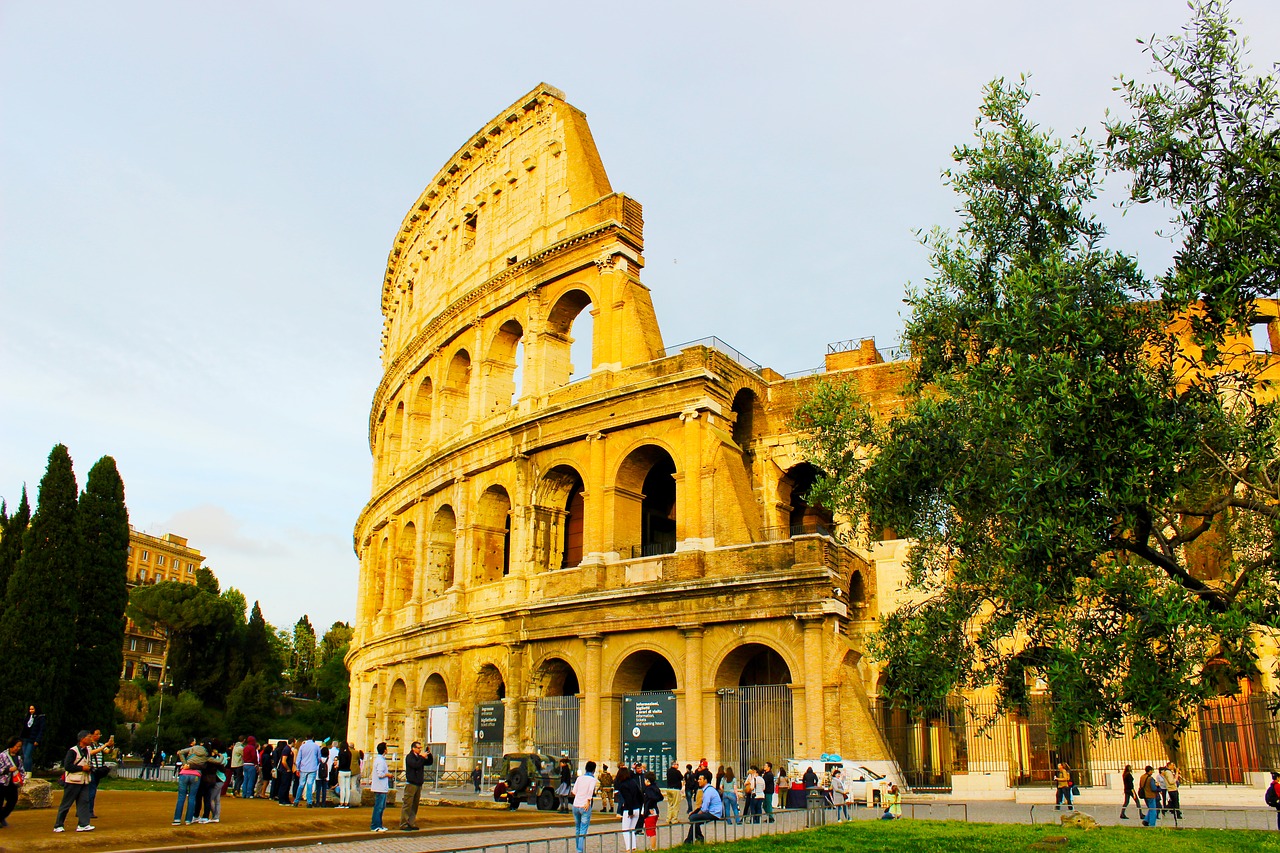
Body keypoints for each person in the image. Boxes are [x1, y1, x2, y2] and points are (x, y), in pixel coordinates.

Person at [54, 731, 94, 833]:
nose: (91, 739)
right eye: (89, 737)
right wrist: (82, 768)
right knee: (66, 804)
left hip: (84, 781)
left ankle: (83, 824)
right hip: (72, 781)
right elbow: (68, 766)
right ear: (82, 739)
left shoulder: (88, 750)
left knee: (84, 802)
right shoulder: (72, 751)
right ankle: (58, 825)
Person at [173, 739, 208, 825]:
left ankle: (177, 819)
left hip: (184, 774)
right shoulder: (206, 754)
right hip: (196, 775)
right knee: (192, 797)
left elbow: (180, 752)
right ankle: (188, 819)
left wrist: (185, 764)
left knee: (181, 797)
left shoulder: (193, 748)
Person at [683, 774, 723, 844]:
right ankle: (696, 838)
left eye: (700, 779)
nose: (698, 781)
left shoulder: (708, 791)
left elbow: (704, 808)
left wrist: (696, 814)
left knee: (693, 818)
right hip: (711, 811)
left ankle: (691, 839)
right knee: (695, 820)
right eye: (698, 779)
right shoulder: (708, 789)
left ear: (705, 780)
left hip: (714, 813)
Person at [571, 760, 598, 853]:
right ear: (594, 770)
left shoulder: (579, 778)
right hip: (585, 805)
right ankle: (580, 850)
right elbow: (590, 791)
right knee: (583, 829)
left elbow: (574, 791)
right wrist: (588, 801)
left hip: (576, 804)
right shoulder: (593, 779)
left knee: (577, 828)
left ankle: (577, 848)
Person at [400, 741, 427, 831]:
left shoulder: (419, 757)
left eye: (420, 748)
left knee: (415, 805)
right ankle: (404, 823)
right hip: (411, 783)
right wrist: (422, 758)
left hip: (418, 783)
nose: (420, 750)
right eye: (418, 748)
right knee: (408, 804)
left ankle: (411, 822)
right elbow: (416, 765)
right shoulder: (410, 757)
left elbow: (428, 762)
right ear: (413, 748)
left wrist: (428, 754)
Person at [614, 766, 642, 851]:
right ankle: (633, 847)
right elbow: (640, 795)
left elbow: (628, 798)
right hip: (637, 808)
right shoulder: (633, 782)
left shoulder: (623, 785)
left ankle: (628, 848)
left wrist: (630, 811)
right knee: (632, 830)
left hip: (629, 809)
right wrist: (640, 807)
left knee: (625, 830)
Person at [0, 736, 25, 828]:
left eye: (19, 747)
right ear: (11, 745)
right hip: (2, 783)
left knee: (12, 801)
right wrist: (8, 769)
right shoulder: (2, 756)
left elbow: (22, 770)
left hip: (13, 783)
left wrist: (22, 779)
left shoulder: (18, 758)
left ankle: (1, 817)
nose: (18, 748)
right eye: (17, 746)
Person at [370, 742, 392, 832]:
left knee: (380, 807)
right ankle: (376, 825)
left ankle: (378, 825)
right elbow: (380, 774)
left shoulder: (380, 760)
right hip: (380, 787)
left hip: (380, 787)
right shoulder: (380, 761)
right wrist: (388, 774)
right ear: (384, 750)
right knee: (379, 807)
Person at [294, 735, 320, 807]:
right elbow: (318, 758)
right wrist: (316, 764)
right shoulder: (316, 746)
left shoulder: (302, 746)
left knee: (301, 785)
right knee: (310, 785)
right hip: (312, 767)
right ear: (313, 738)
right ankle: (309, 802)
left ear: (306, 738)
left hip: (303, 768)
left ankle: (296, 801)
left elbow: (298, 759)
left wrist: (298, 768)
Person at [640, 772, 663, 849]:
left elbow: (652, 798)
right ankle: (652, 847)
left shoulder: (649, 789)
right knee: (651, 830)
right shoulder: (655, 787)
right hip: (655, 811)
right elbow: (660, 797)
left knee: (651, 831)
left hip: (651, 812)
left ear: (647, 780)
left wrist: (649, 808)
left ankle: (653, 848)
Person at [19, 705, 44, 774]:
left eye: (32, 709)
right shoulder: (28, 716)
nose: (31, 711)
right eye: (30, 709)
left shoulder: (40, 717)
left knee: (28, 755)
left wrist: (37, 740)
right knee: (24, 755)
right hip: (25, 738)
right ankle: (24, 772)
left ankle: (28, 771)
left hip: (32, 739)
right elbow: (24, 727)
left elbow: (41, 730)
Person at [337, 742, 354, 808]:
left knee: (342, 788)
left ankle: (341, 802)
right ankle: (346, 802)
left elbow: (341, 763)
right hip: (348, 771)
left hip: (342, 771)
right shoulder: (349, 753)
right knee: (347, 788)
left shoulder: (341, 753)